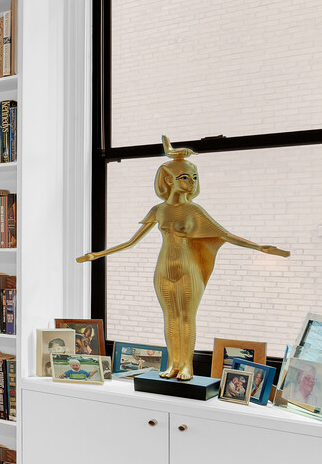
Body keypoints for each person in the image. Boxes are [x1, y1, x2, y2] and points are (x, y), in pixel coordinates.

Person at [78, 137, 288, 381]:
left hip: (189, 269)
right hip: (163, 269)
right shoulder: (159, 210)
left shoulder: (195, 210)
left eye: (194, 178)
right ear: (168, 179)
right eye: (184, 178)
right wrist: (97, 255)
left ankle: (187, 365)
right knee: (170, 317)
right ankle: (173, 364)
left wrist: (260, 247)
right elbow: (131, 242)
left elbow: (225, 235)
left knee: (187, 317)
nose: (191, 183)